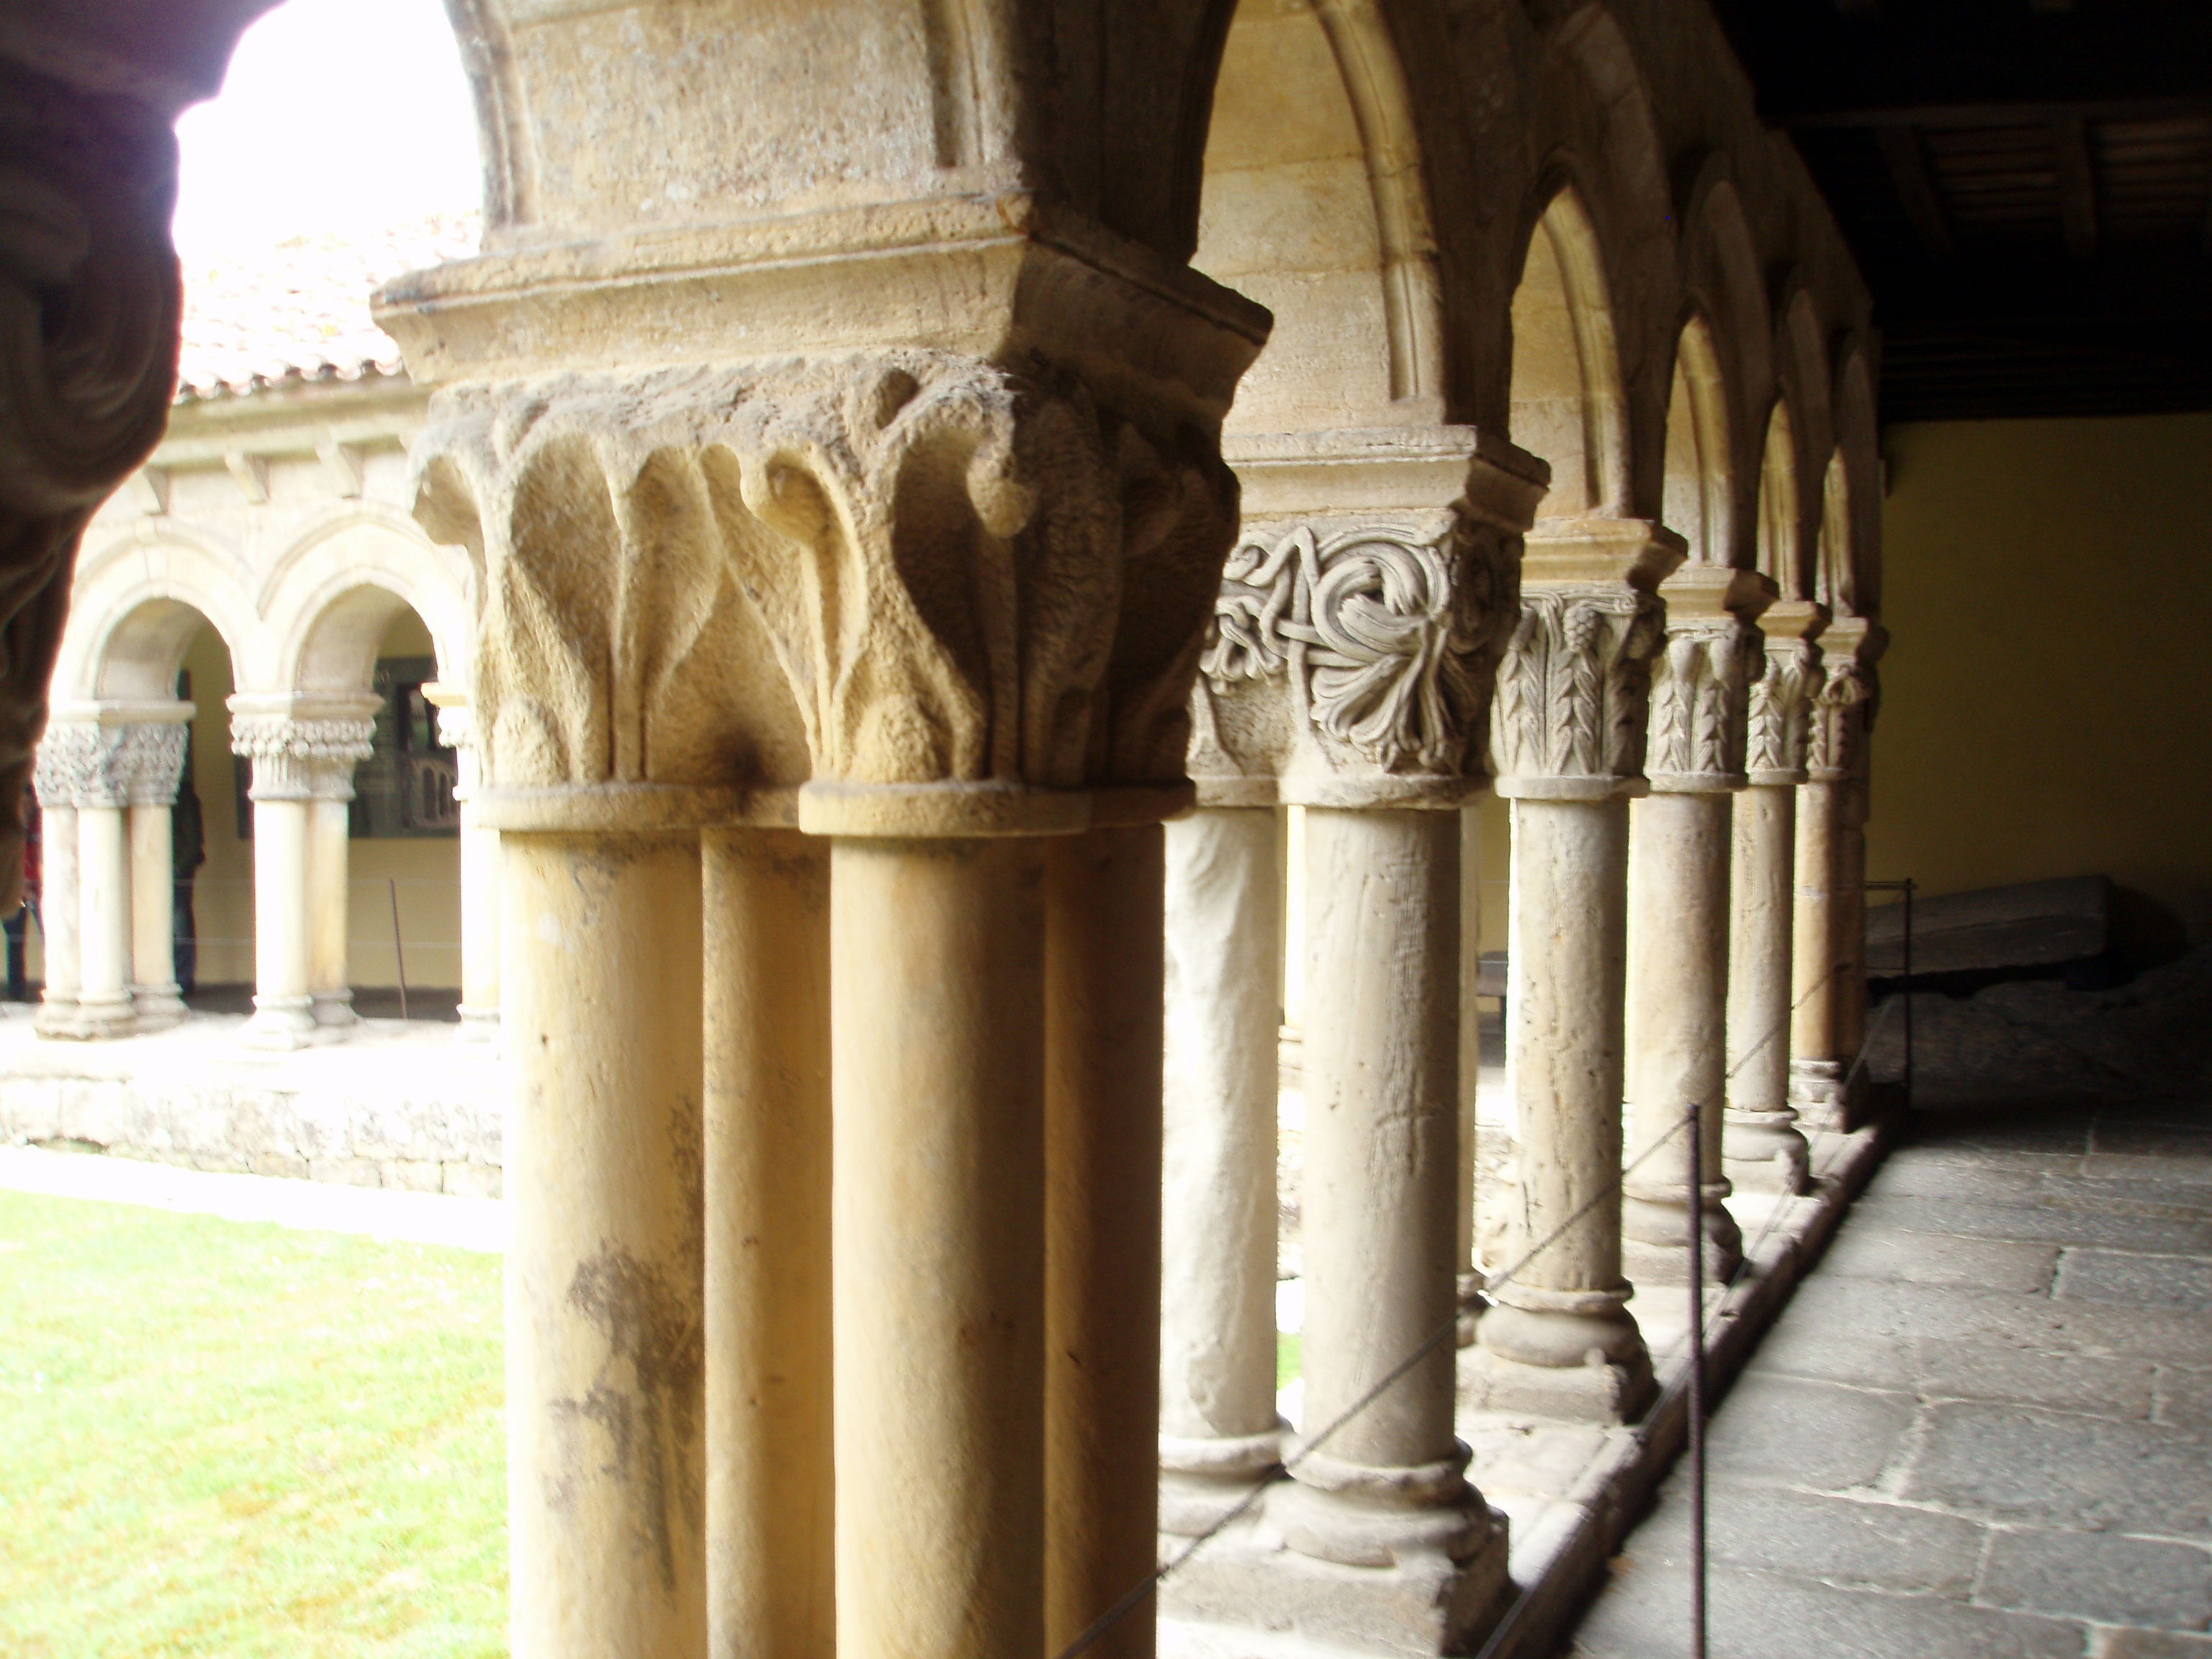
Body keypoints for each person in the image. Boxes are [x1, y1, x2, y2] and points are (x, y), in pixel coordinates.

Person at [6, 781, 39, 1002]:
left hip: (38, 891)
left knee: (51, 935)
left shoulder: (41, 826)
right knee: (15, 941)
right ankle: (16, 991)